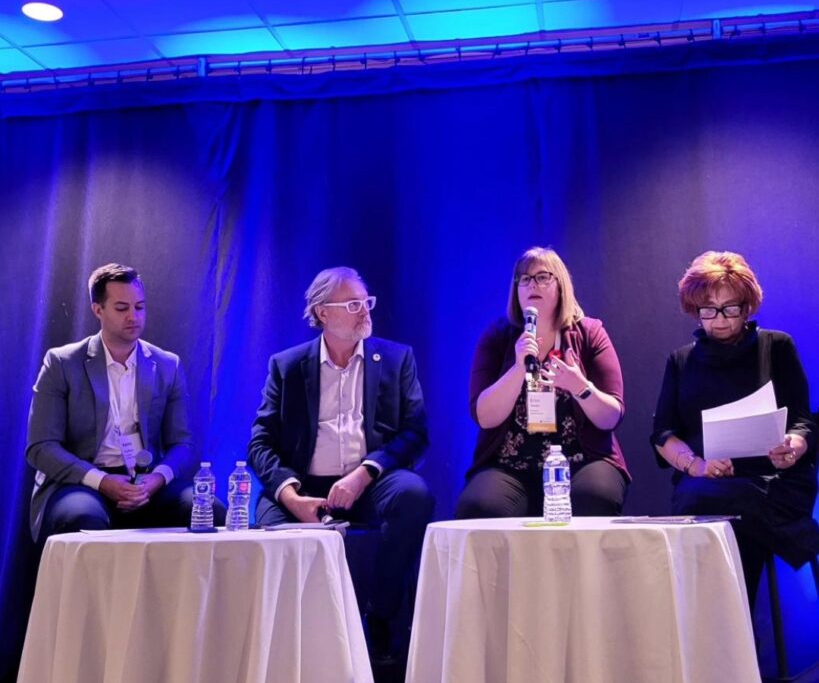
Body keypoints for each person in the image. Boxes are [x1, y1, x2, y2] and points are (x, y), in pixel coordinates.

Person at [248, 266, 434, 659]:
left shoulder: (397, 359)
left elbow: (415, 432)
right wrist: (291, 495)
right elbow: (260, 443)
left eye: (366, 301)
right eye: (352, 304)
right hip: (305, 487)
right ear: (322, 313)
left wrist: (365, 473)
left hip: (369, 482)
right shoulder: (287, 366)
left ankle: (381, 617)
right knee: (267, 528)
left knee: (413, 496)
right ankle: (282, 642)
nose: (364, 310)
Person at [652, 250, 819, 605]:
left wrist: (793, 446)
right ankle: (730, 623)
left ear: (747, 307)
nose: (720, 320)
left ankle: (730, 625)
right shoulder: (681, 361)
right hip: (705, 481)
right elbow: (663, 434)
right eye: (708, 310)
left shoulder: (777, 347)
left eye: (730, 309)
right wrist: (697, 465)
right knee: (709, 501)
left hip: (773, 480)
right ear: (695, 309)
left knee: (732, 510)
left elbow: (804, 420)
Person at [26, 263, 207, 543]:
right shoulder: (62, 363)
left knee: (206, 510)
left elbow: (183, 444)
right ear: (97, 310)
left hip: (146, 480)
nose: (134, 317)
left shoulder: (167, 365)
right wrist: (102, 481)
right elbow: (41, 447)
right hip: (82, 479)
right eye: (122, 308)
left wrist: (158, 478)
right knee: (82, 518)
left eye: (140, 307)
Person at [456, 246, 629, 519]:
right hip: (510, 464)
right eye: (524, 279)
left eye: (542, 277)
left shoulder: (590, 333)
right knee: (480, 506)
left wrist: (580, 387)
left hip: (581, 460)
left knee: (595, 496)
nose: (532, 285)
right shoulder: (497, 337)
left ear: (561, 286)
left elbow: (611, 417)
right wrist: (517, 369)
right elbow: (484, 417)